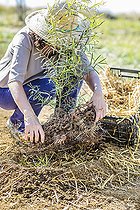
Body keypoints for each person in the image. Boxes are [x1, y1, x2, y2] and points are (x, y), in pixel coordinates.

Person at [0, 1, 107, 144]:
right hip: (5, 91)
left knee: (72, 74)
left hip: (31, 86)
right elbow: (14, 82)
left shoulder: (67, 42)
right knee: (48, 85)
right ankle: (18, 123)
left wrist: (98, 92)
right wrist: (29, 115)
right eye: (60, 41)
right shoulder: (24, 39)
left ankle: (62, 122)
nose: (64, 45)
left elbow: (87, 71)